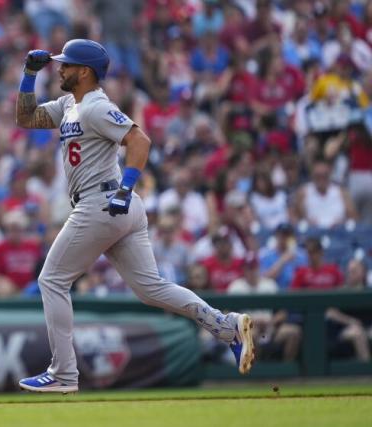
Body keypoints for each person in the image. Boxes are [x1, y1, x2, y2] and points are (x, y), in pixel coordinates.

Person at [15, 39, 255, 393]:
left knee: (52, 281)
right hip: (113, 206)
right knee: (151, 289)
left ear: (84, 72)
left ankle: (63, 373)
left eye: (66, 64)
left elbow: (139, 140)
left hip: (104, 201)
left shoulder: (96, 106)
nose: (60, 69)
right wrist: (28, 75)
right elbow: (26, 118)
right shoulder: (70, 103)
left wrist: (126, 189)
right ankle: (225, 325)